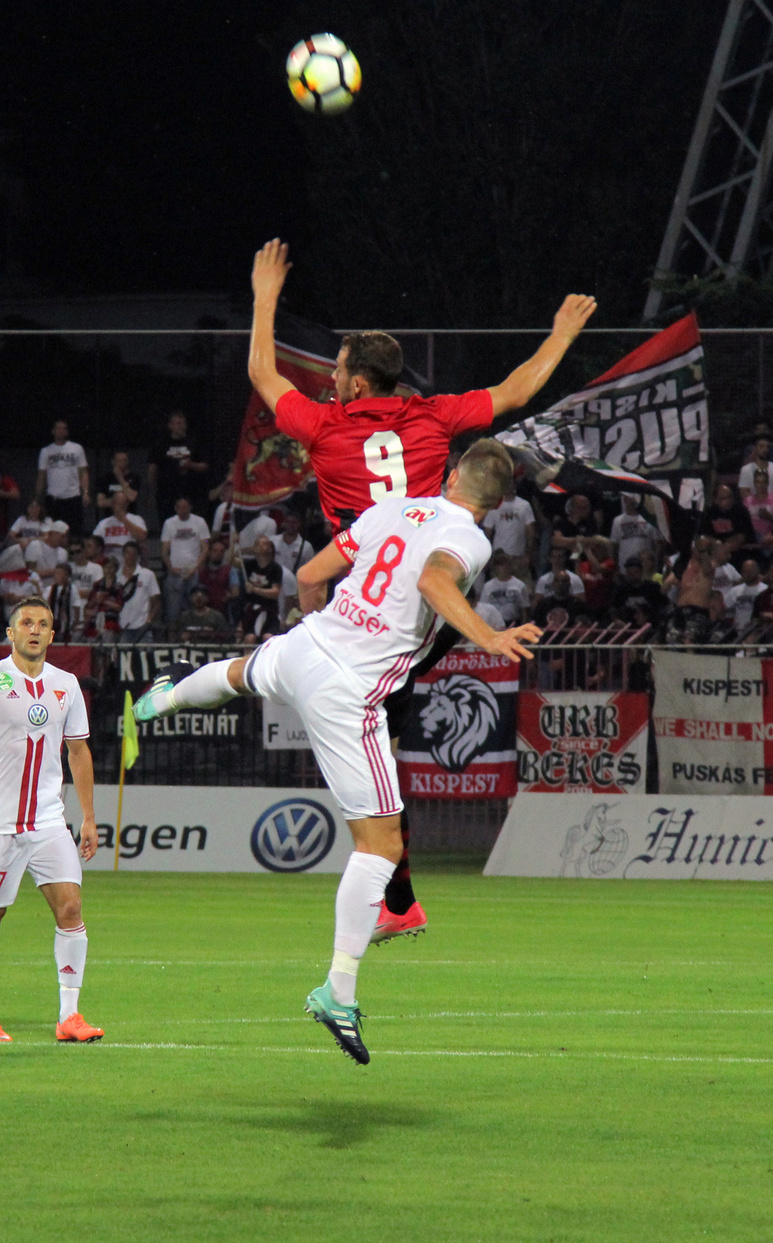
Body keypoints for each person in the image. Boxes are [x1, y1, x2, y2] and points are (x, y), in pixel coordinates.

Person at [133, 440, 537, 1064]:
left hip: (306, 643)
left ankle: (167, 698)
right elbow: (433, 579)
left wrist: (326, 639)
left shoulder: (393, 507)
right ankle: (338, 989)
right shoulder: (472, 539)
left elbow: (311, 576)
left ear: (452, 475)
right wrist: (489, 634)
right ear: (500, 502)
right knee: (381, 846)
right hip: (350, 690)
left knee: (240, 673)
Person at [247, 238, 593, 938]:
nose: (331, 380)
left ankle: (396, 894)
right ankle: (398, 898)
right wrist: (561, 334)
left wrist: (265, 298)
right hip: (421, 611)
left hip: (365, 597)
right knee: (376, 739)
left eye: (338, 371)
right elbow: (519, 390)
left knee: (351, 731)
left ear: (356, 381)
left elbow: (262, 371)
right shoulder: (433, 415)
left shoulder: (322, 423)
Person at [0, 596, 102, 1044]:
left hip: (49, 822)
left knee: (71, 908)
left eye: (43, 624)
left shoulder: (66, 685)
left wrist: (88, 818)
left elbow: (78, 751)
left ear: (52, 635)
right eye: (26, 623)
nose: (34, 630)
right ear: (11, 633)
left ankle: (70, 1017)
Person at [147, 410, 211, 513]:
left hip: (190, 492)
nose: (182, 426)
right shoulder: (161, 444)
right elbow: (152, 470)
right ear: (170, 425)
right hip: (167, 493)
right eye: (178, 423)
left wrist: (191, 465)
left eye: (183, 423)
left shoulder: (194, 442)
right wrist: (151, 493)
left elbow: (205, 466)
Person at [159, 495, 210, 622]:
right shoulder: (169, 523)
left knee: (195, 608)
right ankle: (172, 639)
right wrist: (170, 568)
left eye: (185, 507)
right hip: (175, 571)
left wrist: (196, 567)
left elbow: (205, 547)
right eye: (180, 507)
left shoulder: (200, 522)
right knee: (172, 611)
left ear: (190, 508)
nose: (183, 510)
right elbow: (164, 550)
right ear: (175, 509)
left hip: (194, 571)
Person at [35, 420, 90, 531]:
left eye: (64, 428)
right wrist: (37, 497)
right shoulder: (46, 451)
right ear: (53, 431)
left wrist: (86, 492)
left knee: (74, 531)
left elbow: (83, 472)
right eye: (58, 428)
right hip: (54, 497)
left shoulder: (76, 448)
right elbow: (42, 475)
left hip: (73, 497)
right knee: (53, 530)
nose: (61, 431)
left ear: (67, 432)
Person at [481, 480, 537, 582]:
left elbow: (530, 530)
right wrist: (488, 556)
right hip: (500, 556)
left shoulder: (524, 505)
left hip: (519, 556)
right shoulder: (494, 506)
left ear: (514, 485)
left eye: (510, 483)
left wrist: (528, 554)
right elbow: (487, 532)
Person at [476, 551, 531, 625]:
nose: (504, 567)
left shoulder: (519, 585)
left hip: (513, 622)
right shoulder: (488, 586)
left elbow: (525, 609)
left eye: (506, 564)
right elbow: (483, 608)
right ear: (496, 567)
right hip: (494, 624)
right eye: (501, 565)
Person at [91, 490, 147, 556]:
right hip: (108, 560)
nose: (117, 506)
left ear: (126, 504)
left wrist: (123, 519)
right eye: (115, 503)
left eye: (120, 504)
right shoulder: (104, 523)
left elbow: (141, 537)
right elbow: (94, 542)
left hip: (129, 557)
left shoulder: (136, 519)